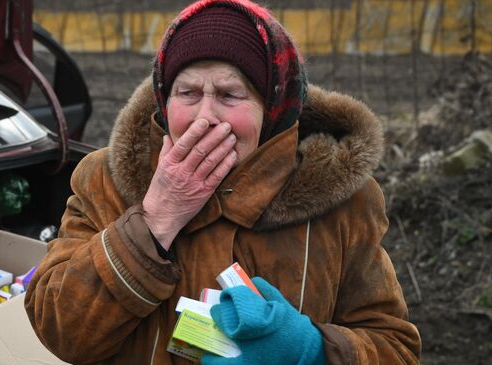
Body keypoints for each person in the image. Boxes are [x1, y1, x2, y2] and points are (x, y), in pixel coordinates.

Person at [25, 0, 422, 364]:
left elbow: (396, 349)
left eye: (230, 94)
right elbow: (61, 332)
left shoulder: (342, 199)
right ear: (165, 101)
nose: (205, 117)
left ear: (272, 109)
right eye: (188, 92)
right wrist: (155, 218)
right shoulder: (106, 178)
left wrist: (309, 349)